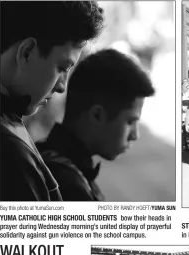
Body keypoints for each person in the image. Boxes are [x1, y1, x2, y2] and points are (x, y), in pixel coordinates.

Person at [0, 1, 104, 201]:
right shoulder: (10, 149)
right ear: (27, 52)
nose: (62, 86)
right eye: (62, 68)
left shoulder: (10, 123)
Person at [37, 49, 154, 201]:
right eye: (130, 122)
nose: (135, 135)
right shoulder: (69, 187)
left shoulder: (42, 154)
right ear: (97, 115)